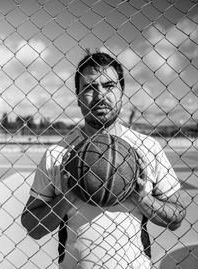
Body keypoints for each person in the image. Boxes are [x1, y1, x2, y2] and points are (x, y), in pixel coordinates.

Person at [21, 51, 186, 269]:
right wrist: (67, 198)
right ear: (78, 97)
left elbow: (177, 218)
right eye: (89, 87)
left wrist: (141, 199)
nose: (100, 96)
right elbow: (33, 227)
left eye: (109, 85)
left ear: (121, 92)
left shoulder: (148, 147)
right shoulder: (57, 154)